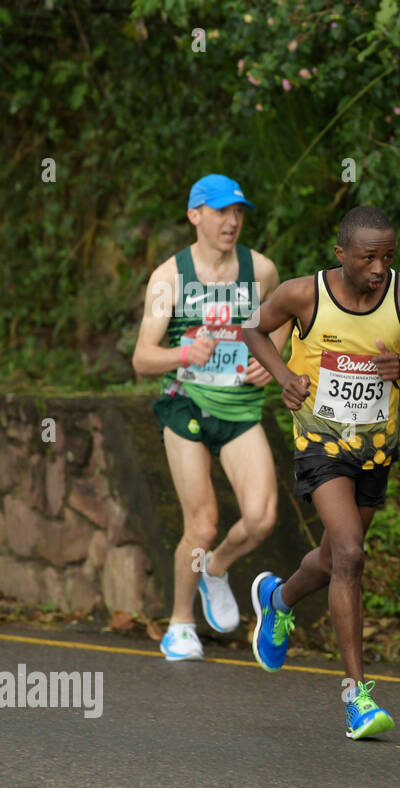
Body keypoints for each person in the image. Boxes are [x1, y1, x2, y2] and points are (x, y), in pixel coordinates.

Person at [243, 205, 400, 740]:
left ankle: (277, 599)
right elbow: (255, 329)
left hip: (375, 448)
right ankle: (357, 697)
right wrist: (283, 376)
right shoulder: (304, 294)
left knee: (331, 562)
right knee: (350, 552)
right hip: (320, 442)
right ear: (341, 254)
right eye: (368, 257)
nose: (379, 268)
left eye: (388, 257)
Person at [133, 174, 283, 662]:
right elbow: (141, 358)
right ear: (195, 214)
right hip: (187, 405)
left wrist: (272, 359)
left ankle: (215, 570)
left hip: (239, 407)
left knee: (261, 519)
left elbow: (280, 328)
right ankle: (179, 623)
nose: (232, 221)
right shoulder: (169, 279)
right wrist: (183, 352)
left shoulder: (260, 272)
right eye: (221, 211)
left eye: (238, 212)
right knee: (202, 523)